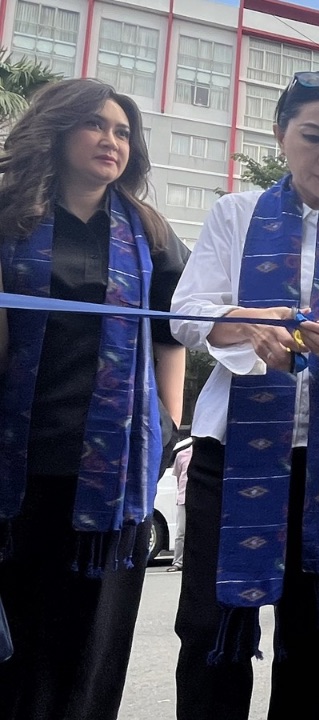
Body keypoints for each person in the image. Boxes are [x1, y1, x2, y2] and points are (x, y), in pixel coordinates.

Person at [169, 70, 319, 720]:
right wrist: (250, 325)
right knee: (212, 622)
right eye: (313, 137)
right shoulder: (235, 213)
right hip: (233, 444)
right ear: (281, 135)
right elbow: (186, 313)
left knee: (314, 629)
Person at [0, 78, 188, 720]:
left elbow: (172, 333)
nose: (112, 141)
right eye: (96, 125)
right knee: (16, 644)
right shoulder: (9, 216)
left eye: (123, 132)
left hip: (112, 472)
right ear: (57, 131)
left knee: (89, 647)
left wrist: (168, 423)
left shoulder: (148, 231)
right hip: (20, 463)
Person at [169, 443, 194, 572]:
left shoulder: (205, 456)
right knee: (181, 532)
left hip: (199, 499)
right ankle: (178, 562)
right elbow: (179, 477)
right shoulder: (182, 455)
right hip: (183, 498)